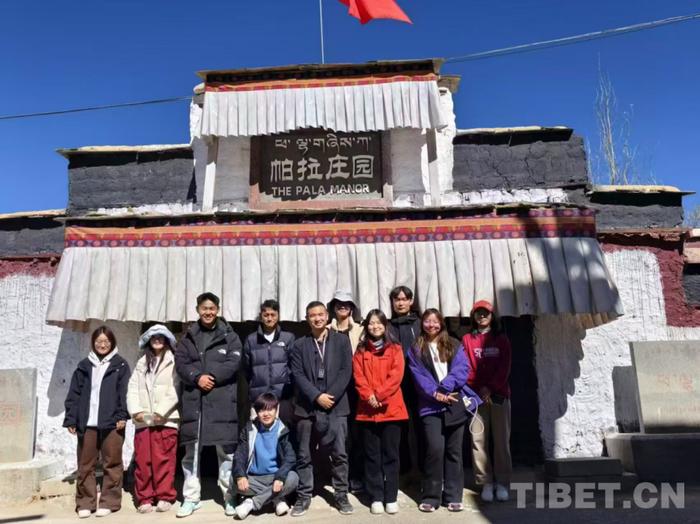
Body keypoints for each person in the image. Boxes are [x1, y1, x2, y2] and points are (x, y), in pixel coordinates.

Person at [174, 292, 243, 518]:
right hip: (196, 403)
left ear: (218, 309)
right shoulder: (188, 338)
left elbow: (234, 362)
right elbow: (181, 364)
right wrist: (196, 378)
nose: (208, 312)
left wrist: (210, 376)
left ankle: (229, 496)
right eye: (204, 308)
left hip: (221, 401)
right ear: (197, 310)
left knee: (226, 453)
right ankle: (191, 498)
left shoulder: (230, 336)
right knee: (191, 452)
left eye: (212, 308)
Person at [407, 309, 481, 513]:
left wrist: (445, 387)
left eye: (435, 321)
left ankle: (453, 495)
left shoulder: (454, 344)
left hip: (454, 401)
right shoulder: (415, 348)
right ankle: (431, 495)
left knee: (454, 451)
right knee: (435, 449)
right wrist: (435, 393)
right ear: (422, 324)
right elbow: (418, 375)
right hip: (430, 405)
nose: (431, 325)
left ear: (441, 323)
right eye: (427, 322)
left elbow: (462, 369)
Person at [289, 301, 354, 517]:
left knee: (339, 453)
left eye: (320, 314)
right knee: (304, 454)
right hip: (306, 406)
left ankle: (341, 494)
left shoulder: (341, 340)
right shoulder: (299, 345)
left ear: (327, 316)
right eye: (312, 315)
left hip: (336, 405)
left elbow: (346, 371)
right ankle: (304, 495)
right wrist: (317, 396)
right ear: (307, 319)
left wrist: (329, 397)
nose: (317, 318)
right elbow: (297, 374)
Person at [63, 325, 130, 518]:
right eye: (99, 341)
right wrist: (71, 418)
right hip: (87, 422)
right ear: (93, 343)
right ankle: (85, 502)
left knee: (112, 463)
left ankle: (110, 501)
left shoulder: (121, 365)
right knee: (85, 464)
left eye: (106, 341)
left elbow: (124, 393)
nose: (102, 345)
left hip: (112, 423)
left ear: (112, 343)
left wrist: (122, 416)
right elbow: (74, 394)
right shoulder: (84, 365)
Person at [352, 309, 408, 515]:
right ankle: (376, 496)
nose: (375, 327)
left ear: (385, 325)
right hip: (367, 411)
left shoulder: (395, 348)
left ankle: (391, 496)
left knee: (391, 455)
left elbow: (396, 376)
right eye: (371, 323)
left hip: (392, 410)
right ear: (366, 326)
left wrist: (380, 395)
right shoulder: (360, 351)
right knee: (372, 455)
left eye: (379, 323)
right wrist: (369, 396)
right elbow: (358, 377)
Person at [462, 300, 512, 503]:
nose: (482, 316)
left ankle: (502, 482)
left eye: (486, 313)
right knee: (478, 441)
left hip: (499, 396)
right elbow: (465, 367)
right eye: (478, 313)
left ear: (492, 316)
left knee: (501, 441)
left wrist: (490, 388)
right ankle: (485, 482)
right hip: (475, 397)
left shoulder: (501, 339)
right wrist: (478, 389)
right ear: (473, 316)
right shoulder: (467, 339)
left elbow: (505, 367)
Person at [127, 324, 180, 513]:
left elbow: (175, 388)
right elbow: (133, 388)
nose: (157, 340)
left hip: (165, 419)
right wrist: (136, 410)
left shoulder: (174, 361)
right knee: (143, 460)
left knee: (163, 459)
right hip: (143, 419)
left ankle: (165, 495)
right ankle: (145, 497)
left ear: (166, 340)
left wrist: (161, 411)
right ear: (149, 340)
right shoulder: (141, 363)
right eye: (154, 337)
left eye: (161, 337)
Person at [232, 393, 299, 520]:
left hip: (276, 476)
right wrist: (241, 476)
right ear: (256, 412)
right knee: (233, 481)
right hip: (254, 478)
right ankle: (277, 498)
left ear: (276, 410)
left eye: (270, 409)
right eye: (262, 410)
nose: (266, 414)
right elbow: (239, 454)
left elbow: (290, 457)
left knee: (293, 478)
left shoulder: (283, 429)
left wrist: (280, 477)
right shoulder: (249, 429)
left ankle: (251, 502)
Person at [327, 289, 363, 492]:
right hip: (334, 388)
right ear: (333, 306)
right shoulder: (326, 329)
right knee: (337, 435)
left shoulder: (360, 330)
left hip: (355, 388)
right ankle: (338, 477)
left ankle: (356, 475)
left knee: (356, 434)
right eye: (339, 303)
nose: (343, 306)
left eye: (347, 303)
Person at [243, 300, 295, 424]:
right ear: (261, 316)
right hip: (259, 396)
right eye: (266, 315)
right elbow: (246, 368)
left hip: (282, 396)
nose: (269, 318)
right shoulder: (251, 340)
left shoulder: (288, 338)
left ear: (278, 316)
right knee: (258, 434)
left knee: (284, 433)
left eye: (273, 315)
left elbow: (294, 365)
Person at [387, 286, 421, 477]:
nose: (400, 303)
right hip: (397, 386)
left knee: (422, 429)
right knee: (400, 430)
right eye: (397, 299)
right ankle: (404, 471)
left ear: (411, 301)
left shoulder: (419, 323)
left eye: (404, 299)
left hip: (420, 385)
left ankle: (424, 471)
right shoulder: (388, 326)